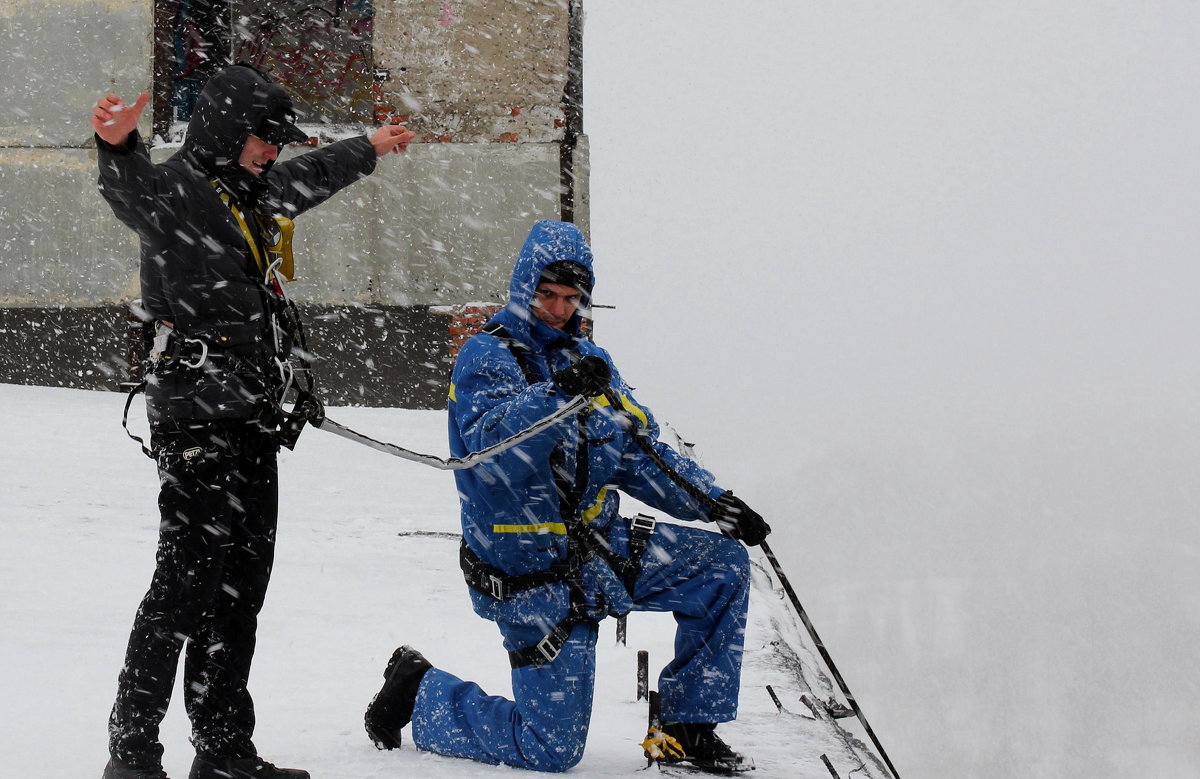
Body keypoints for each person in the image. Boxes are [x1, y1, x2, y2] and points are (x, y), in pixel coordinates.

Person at [90, 64, 416, 779]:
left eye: (277, 141)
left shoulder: (254, 194)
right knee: (182, 589)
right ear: (226, 132)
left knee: (239, 592)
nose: (274, 152)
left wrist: (369, 145)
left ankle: (224, 748)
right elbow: (132, 191)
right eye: (264, 140)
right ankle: (133, 752)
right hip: (197, 423)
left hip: (251, 421)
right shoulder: (176, 193)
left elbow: (314, 175)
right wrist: (117, 147)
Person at [363, 220, 772, 774]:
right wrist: (560, 395)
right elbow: (493, 460)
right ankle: (420, 692)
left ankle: (685, 729)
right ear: (524, 289)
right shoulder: (487, 357)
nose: (558, 309)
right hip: (532, 576)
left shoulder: (587, 362)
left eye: (571, 298)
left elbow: (634, 454)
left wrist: (713, 503)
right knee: (551, 750)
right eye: (547, 295)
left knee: (724, 566)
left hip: (600, 552)